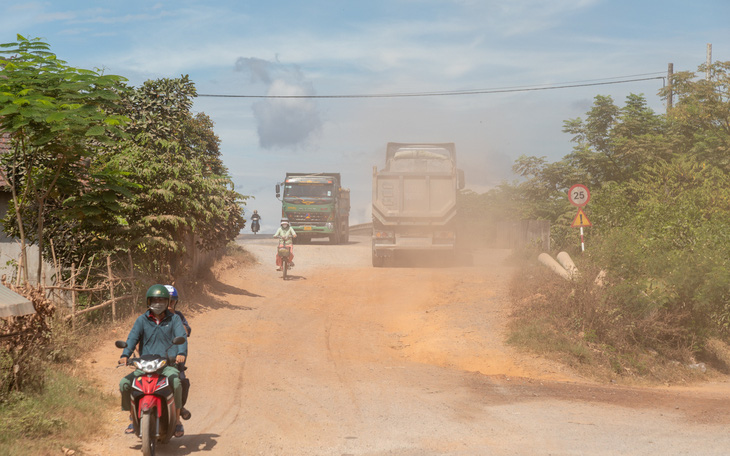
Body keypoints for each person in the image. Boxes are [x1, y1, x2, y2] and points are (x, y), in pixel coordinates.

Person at [119, 284, 188, 437]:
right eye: (154, 300)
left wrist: (181, 353)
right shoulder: (141, 320)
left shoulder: (175, 319)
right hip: (145, 366)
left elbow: (182, 338)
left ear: (167, 302)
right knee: (124, 384)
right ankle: (132, 417)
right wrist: (125, 355)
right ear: (148, 301)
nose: (158, 304)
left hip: (166, 365)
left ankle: (177, 421)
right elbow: (132, 338)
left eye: (162, 300)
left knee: (176, 383)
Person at [165, 285, 192, 421]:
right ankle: (133, 416)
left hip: (174, 360)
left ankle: (179, 410)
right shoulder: (151, 316)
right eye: (166, 301)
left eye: (172, 301)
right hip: (156, 359)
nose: (169, 304)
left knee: (181, 381)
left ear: (175, 302)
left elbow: (186, 332)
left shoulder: (179, 316)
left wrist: (174, 317)